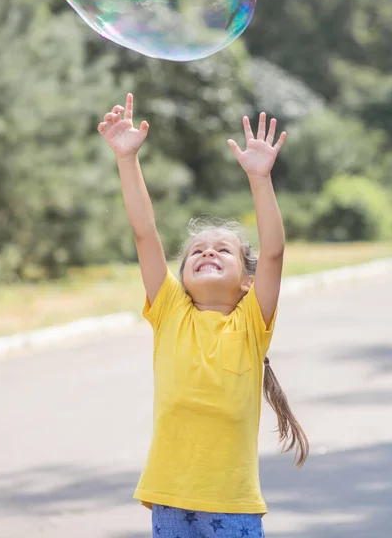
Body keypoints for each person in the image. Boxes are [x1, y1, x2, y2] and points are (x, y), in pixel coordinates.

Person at [98, 93, 308, 538]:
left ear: (247, 281)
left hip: (232, 505)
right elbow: (144, 232)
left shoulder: (252, 323)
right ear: (181, 278)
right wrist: (127, 159)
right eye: (196, 250)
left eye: (222, 250)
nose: (207, 251)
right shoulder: (170, 311)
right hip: (170, 499)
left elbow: (273, 251)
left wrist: (260, 179)